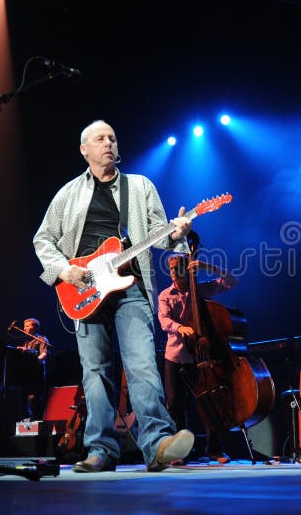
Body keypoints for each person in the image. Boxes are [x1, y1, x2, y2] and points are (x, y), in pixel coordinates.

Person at [32, 119, 195, 472]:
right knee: (95, 372)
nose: (108, 143)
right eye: (100, 138)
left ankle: (158, 445)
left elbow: (161, 235)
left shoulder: (139, 187)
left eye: (112, 138)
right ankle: (101, 450)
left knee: (142, 365)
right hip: (85, 291)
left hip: (130, 284)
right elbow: (42, 239)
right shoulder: (68, 194)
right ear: (84, 150)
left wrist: (177, 232)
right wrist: (64, 270)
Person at [158, 254, 238, 464]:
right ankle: (177, 452)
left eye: (178, 268)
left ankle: (214, 449)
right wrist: (180, 327)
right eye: (171, 269)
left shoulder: (200, 289)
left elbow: (231, 280)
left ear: (188, 270)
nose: (174, 272)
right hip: (175, 355)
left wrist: (207, 266)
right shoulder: (165, 295)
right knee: (175, 403)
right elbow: (164, 320)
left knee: (209, 401)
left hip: (201, 355)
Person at [16, 317, 49, 420]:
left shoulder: (42, 339)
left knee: (34, 398)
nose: (24, 328)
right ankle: (27, 420)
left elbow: (44, 354)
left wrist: (35, 360)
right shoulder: (26, 342)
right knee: (23, 398)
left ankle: (37, 420)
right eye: (24, 326)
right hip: (26, 374)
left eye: (27, 326)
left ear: (35, 328)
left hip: (36, 374)